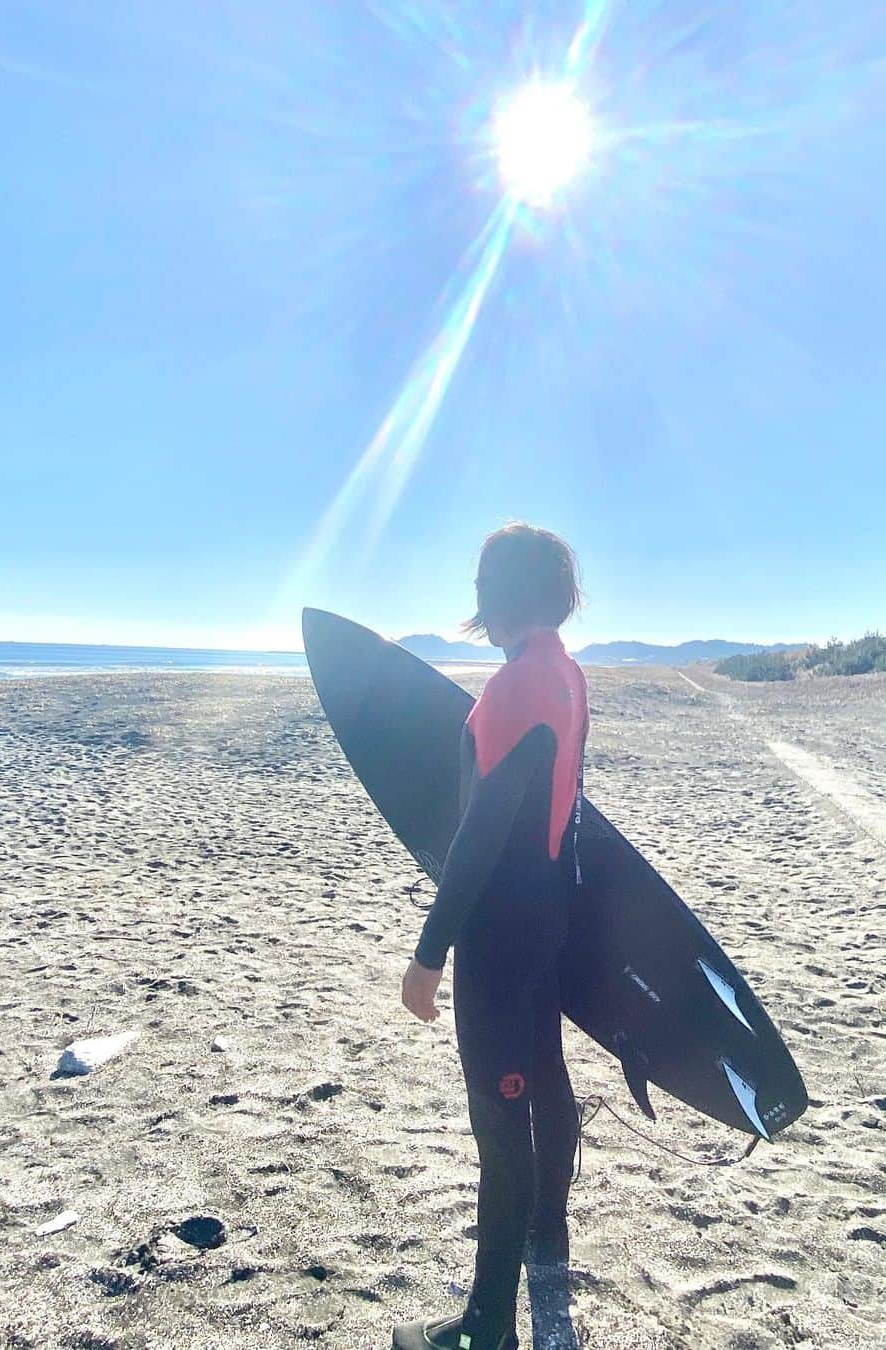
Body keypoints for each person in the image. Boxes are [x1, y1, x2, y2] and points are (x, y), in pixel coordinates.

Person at [393, 524, 589, 1350]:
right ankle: (550, 1233)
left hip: (499, 941)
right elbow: (570, 806)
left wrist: (428, 955)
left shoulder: (514, 690)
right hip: (546, 920)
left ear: (494, 597)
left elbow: (478, 834)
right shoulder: (568, 675)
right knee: (544, 1077)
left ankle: (486, 1327)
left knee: (500, 1124)